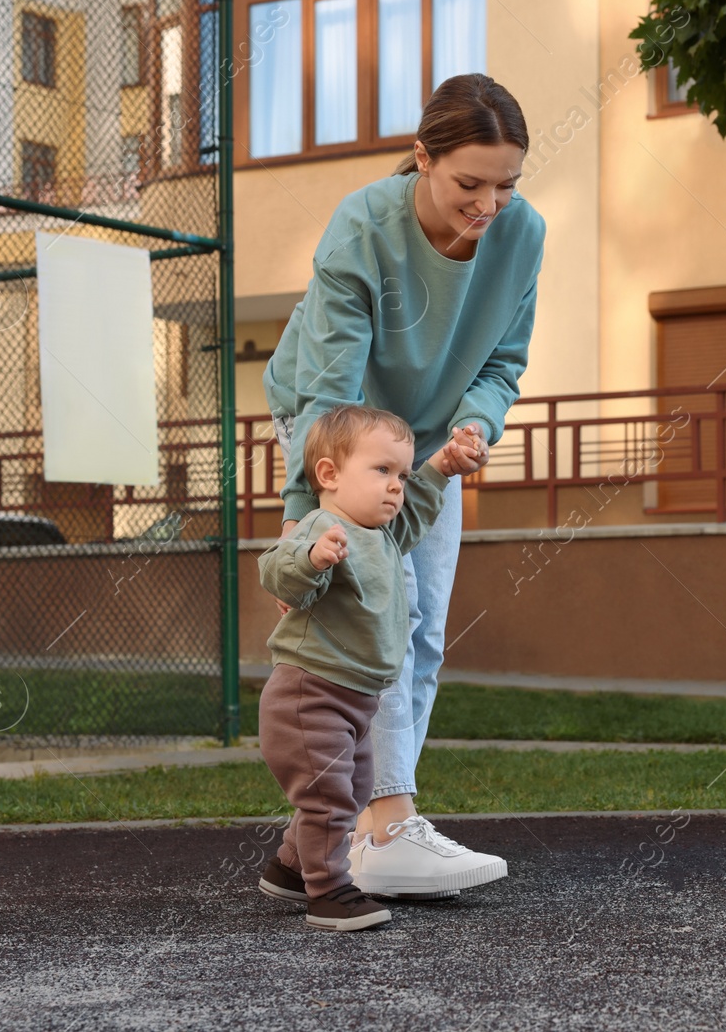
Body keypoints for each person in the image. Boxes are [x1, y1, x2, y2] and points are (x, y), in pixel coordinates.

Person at [262, 73, 544, 897]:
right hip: (335, 418)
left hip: (428, 436)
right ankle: (387, 819)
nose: (489, 203)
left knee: (421, 632)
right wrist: (301, 528)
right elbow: (331, 392)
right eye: (469, 183)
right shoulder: (363, 225)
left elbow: (503, 360)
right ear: (422, 159)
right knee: (383, 602)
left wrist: (477, 424)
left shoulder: (522, 234)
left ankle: (324, 839)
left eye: (507, 183)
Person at [255, 405, 500, 931]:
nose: (396, 486)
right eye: (382, 471)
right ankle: (330, 893)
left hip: (354, 700)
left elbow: (416, 515)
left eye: (403, 475)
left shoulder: (383, 535)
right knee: (331, 800)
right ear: (329, 475)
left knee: (351, 786)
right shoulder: (325, 527)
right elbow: (275, 570)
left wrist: (439, 470)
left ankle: (290, 869)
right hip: (308, 695)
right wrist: (312, 559)